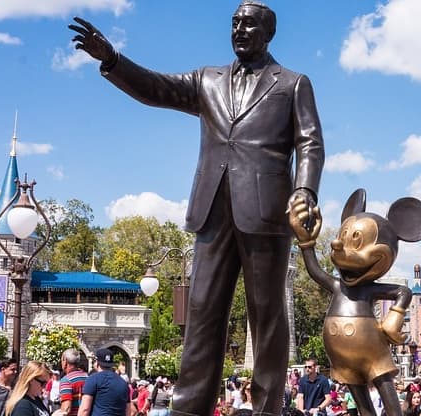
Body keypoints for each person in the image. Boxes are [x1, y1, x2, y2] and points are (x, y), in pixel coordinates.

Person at [68, 2, 324, 414]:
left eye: (249, 24)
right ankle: (189, 408)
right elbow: (156, 87)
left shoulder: (293, 83)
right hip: (212, 211)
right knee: (202, 315)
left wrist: (305, 191)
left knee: (268, 320)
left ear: (268, 33)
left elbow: (310, 142)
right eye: (234, 23)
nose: (239, 29)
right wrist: (113, 60)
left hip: (267, 213)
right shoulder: (208, 80)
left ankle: (267, 409)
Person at [77, 348, 130, 416]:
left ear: (97, 363)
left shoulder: (92, 379)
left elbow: (85, 409)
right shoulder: (124, 383)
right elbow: (128, 411)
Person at [60, 349, 88, 416]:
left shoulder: (66, 380)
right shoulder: (87, 377)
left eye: (61, 360)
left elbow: (66, 408)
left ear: (65, 361)